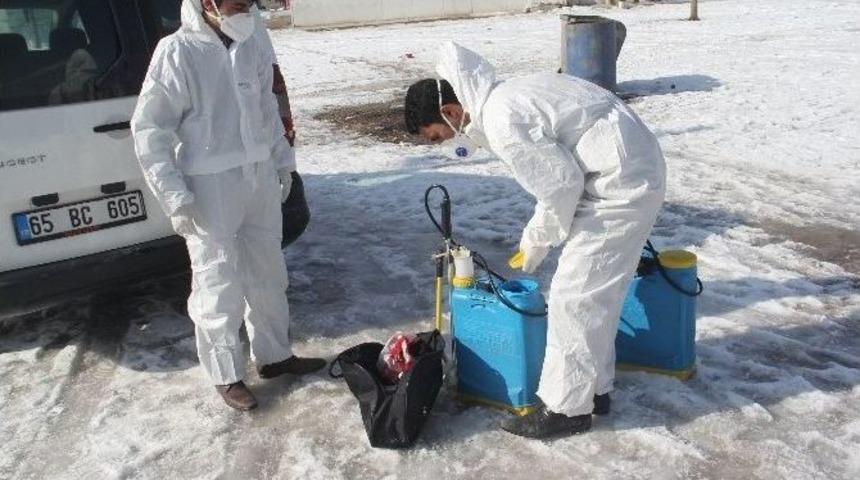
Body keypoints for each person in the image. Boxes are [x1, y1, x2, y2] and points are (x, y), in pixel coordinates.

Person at [404, 42, 666, 438]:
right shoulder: (505, 96)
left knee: (573, 298)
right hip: (622, 171)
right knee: (595, 295)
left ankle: (566, 409)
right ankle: (594, 390)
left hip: (620, 184)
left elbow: (561, 185)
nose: (444, 142)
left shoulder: (501, 118)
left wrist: (535, 241)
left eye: (437, 135)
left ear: (451, 112)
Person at [131, 0, 325, 411]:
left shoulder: (252, 41)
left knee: (268, 272)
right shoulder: (178, 51)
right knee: (217, 282)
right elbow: (150, 129)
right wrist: (174, 195)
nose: (244, 10)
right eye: (236, 3)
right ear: (208, 3)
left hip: (257, 176)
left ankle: (274, 356)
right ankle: (226, 374)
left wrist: (283, 164)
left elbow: (268, 110)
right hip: (208, 186)